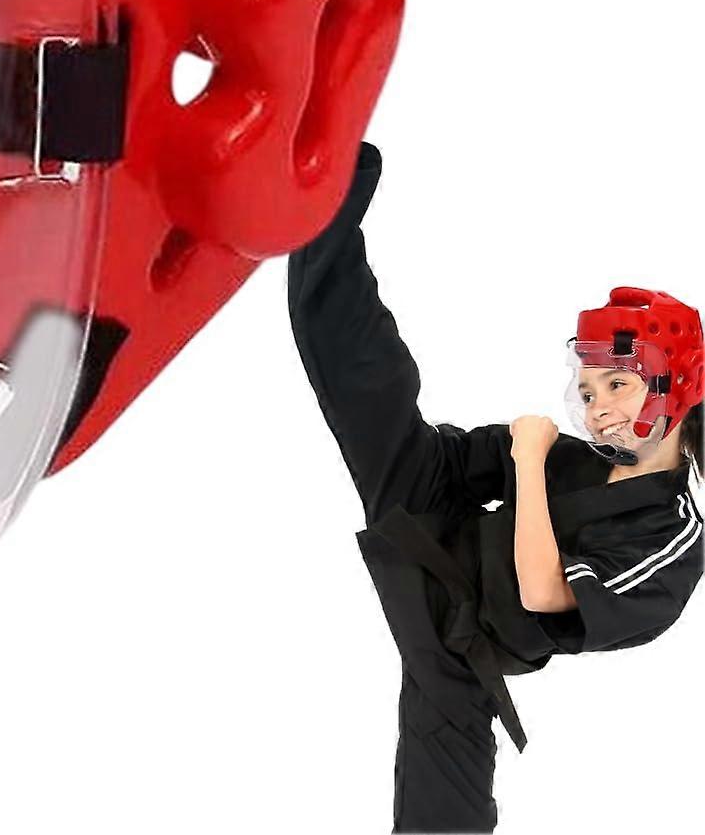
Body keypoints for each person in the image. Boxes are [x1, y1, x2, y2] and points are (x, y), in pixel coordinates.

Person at [288, 142, 703, 833]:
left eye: (616, 384)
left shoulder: (670, 536)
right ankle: (327, 188)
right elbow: (454, 460)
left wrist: (529, 462)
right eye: (588, 389)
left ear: (675, 385)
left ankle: (318, 193)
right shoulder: (573, 456)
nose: (597, 407)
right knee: (363, 379)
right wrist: (507, 452)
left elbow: (543, 593)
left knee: (441, 811)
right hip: (430, 527)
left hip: (464, 640)